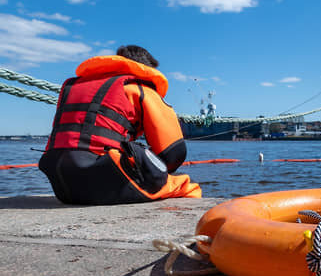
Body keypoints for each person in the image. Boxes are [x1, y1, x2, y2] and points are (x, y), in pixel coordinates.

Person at [38, 45, 201, 205]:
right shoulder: (139, 87)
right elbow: (174, 154)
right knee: (187, 185)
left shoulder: (72, 87)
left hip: (61, 185)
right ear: (146, 70)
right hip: (102, 177)